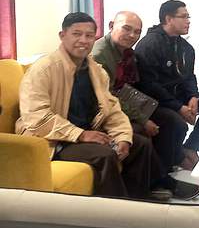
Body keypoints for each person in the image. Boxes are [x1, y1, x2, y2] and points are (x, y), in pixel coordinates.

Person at [16, 13, 153, 198]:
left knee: (141, 144)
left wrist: (123, 137)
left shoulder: (96, 70)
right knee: (105, 155)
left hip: (85, 133)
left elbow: (112, 109)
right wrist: (81, 134)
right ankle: (115, 210)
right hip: (53, 140)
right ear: (62, 35)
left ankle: (138, 202)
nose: (83, 40)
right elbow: (36, 116)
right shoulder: (43, 70)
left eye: (89, 35)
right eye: (76, 34)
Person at [92, 11, 199, 200]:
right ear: (111, 26)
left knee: (174, 121)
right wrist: (143, 119)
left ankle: (163, 172)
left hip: (126, 102)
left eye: (137, 32)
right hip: (107, 111)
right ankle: (158, 182)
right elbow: (108, 97)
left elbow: (135, 86)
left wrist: (164, 107)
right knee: (143, 131)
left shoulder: (127, 52)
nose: (132, 35)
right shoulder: (100, 55)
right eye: (126, 29)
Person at [136, 0, 199, 168]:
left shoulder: (185, 47)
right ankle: (172, 161)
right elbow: (149, 85)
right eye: (183, 17)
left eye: (188, 17)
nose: (188, 21)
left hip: (178, 96)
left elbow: (189, 76)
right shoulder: (150, 44)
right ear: (168, 19)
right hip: (156, 101)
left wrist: (193, 97)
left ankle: (191, 147)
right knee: (177, 122)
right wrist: (179, 107)